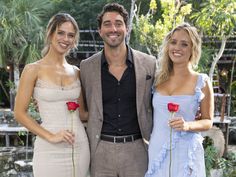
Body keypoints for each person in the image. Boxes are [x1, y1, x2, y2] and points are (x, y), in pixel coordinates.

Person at [80, 3, 156, 177]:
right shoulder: (86, 67)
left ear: (127, 29)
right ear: (100, 31)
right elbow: (79, 106)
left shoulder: (149, 64)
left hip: (138, 150)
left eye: (118, 23)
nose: (113, 28)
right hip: (100, 151)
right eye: (107, 24)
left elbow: (161, 98)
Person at [14, 13, 90, 177]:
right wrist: (51, 136)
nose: (66, 39)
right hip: (48, 147)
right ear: (50, 34)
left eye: (71, 35)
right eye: (61, 33)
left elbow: (82, 114)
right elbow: (19, 113)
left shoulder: (76, 72)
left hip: (79, 147)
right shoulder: (32, 69)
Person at [145, 23, 214, 177]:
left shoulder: (201, 82)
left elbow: (208, 121)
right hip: (157, 148)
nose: (177, 48)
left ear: (193, 49)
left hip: (186, 151)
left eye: (184, 44)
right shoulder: (156, 79)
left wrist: (187, 125)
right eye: (174, 42)